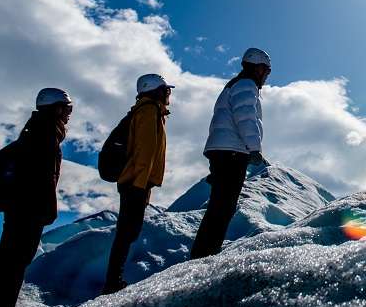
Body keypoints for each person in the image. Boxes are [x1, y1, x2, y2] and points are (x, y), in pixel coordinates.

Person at [0, 88, 71, 307]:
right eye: (67, 108)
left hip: (19, 206)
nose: (69, 114)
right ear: (56, 108)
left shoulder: (36, 131)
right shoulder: (46, 134)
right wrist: (47, 210)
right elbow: (44, 177)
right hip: (28, 208)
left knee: (10, 258)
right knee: (15, 259)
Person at [190, 48, 270, 259]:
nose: (266, 76)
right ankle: (205, 254)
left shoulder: (234, 85)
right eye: (265, 70)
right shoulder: (246, 85)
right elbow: (245, 116)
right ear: (257, 67)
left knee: (220, 204)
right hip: (232, 151)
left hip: (223, 150)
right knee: (223, 206)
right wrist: (254, 147)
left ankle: (204, 251)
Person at [102, 74, 173, 294]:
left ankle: (113, 280)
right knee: (127, 232)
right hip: (135, 181)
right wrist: (141, 183)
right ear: (155, 90)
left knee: (128, 231)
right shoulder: (149, 110)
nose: (168, 94)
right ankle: (112, 282)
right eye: (166, 90)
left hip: (136, 180)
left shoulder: (149, 111)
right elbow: (145, 149)